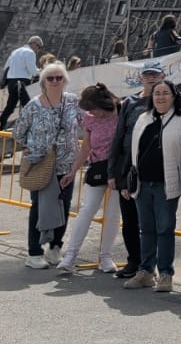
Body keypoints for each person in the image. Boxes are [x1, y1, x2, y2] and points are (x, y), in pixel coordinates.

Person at [13, 61, 79, 270]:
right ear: (43, 82)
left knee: (63, 205)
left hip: (66, 163)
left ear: (65, 80)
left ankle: (55, 247)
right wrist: (34, 147)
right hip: (41, 164)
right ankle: (34, 252)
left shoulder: (72, 101)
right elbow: (18, 132)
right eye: (50, 78)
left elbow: (86, 123)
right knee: (39, 207)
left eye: (59, 78)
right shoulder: (33, 105)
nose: (55, 81)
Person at [123, 78, 181, 292]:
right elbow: (133, 151)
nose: (160, 97)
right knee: (146, 229)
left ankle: (166, 273)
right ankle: (146, 272)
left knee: (165, 229)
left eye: (165, 93)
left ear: (174, 96)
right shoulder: (143, 118)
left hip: (166, 184)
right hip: (142, 184)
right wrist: (126, 180)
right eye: (157, 93)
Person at [109, 61, 165, 278]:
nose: (151, 78)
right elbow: (118, 137)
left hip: (155, 168)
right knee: (130, 219)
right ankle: (134, 261)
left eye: (155, 74)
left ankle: (152, 263)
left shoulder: (167, 101)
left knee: (153, 220)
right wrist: (113, 172)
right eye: (147, 74)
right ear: (141, 78)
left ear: (163, 76)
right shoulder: (129, 103)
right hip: (128, 167)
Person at [59, 83, 121, 273]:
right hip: (97, 168)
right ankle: (71, 255)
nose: (92, 113)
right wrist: (73, 171)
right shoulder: (90, 119)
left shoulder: (121, 112)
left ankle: (106, 256)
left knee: (113, 214)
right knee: (87, 210)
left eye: (93, 109)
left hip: (118, 170)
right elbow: (86, 147)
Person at [0, 35, 43, 131]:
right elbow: (33, 71)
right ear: (34, 44)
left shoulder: (15, 51)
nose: (38, 50)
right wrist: (41, 71)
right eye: (39, 47)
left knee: (10, 107)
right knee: (28, 106)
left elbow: (6, 67)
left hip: (11, 81)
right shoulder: (30, 53)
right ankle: (28, 129)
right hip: (22, 82)